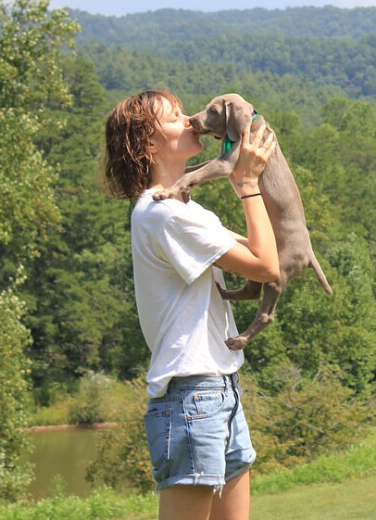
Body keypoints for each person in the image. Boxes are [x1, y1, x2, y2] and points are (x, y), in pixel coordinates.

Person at [103, 90, 279, 520]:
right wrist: (248, 183)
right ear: (147, 144)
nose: (189, 121)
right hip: (192, 394)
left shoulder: (186, 209)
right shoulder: (165, 214)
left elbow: (262, 249)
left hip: (219, 388)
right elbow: (266, 266)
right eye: (174, 117)